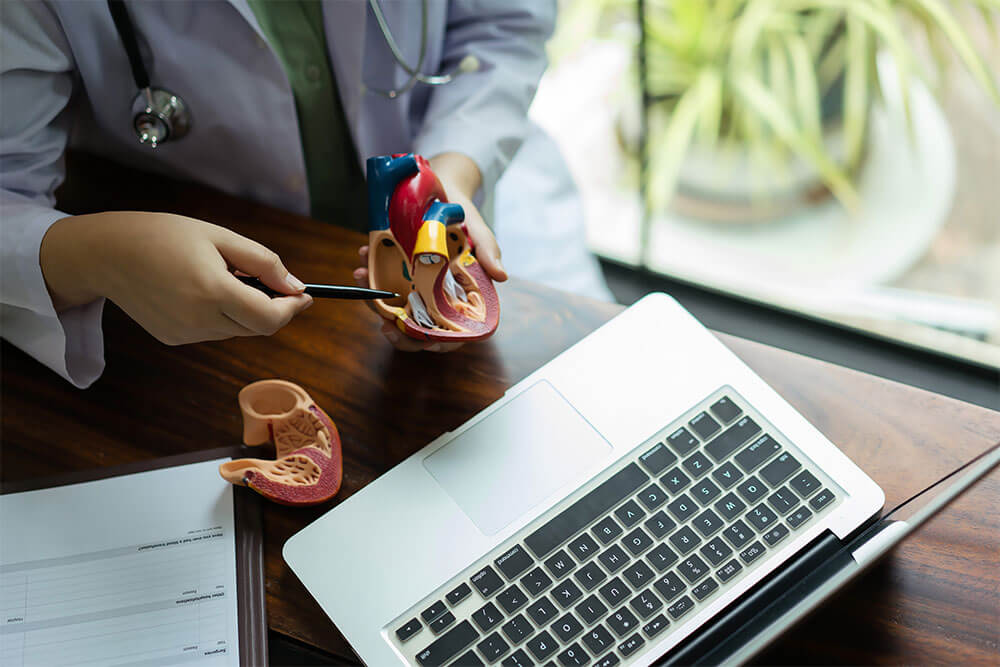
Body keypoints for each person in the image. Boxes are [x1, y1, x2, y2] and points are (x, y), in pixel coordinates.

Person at [1, 0, 610, 390]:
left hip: (499, 212)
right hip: (189, 328)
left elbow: (501, 27)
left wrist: (451, 169)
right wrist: (101, 253)